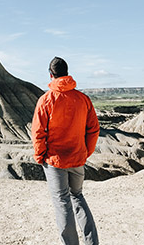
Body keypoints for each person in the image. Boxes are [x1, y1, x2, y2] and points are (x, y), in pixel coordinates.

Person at [31, 57, 101, 245]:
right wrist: (85, 152)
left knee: (63, 204)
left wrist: (40, 156)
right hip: (78, 159)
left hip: (55, 161)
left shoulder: (46, 100)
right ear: (67, 73)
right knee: (77, 197)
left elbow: (38, 132)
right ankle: (92, 242)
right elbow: (93, 129)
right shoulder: (83, 99)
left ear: (50, 74)